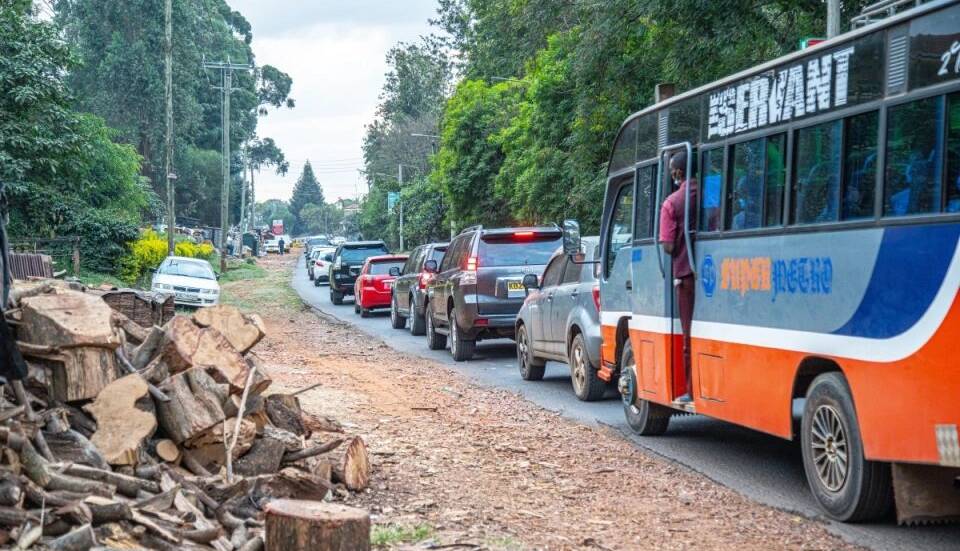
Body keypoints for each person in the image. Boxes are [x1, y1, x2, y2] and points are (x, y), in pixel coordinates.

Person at [659, 151, 697, 405]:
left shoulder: (672, 203)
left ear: (677, 173)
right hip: (714, 270)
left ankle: (692, 390)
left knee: (688, 336)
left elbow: (668, 245)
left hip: (685, 274)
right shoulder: (710, 194)